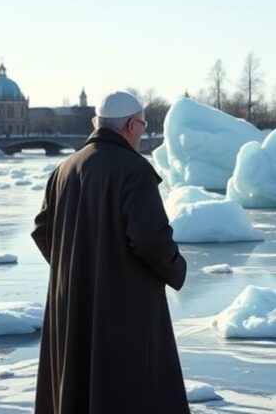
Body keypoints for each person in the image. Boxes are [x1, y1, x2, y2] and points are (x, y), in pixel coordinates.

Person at [31, 90, 189, 413]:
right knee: (130, 384)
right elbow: (148, 238)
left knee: (77, 379)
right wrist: (177, 268)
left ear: (96, 124)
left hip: (71, 299)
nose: (143, 132)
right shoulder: (134, 170)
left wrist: (74, 265)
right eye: (143, 125)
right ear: (131, 125)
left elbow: (42, 230)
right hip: (124, 302)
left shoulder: (63, 169)